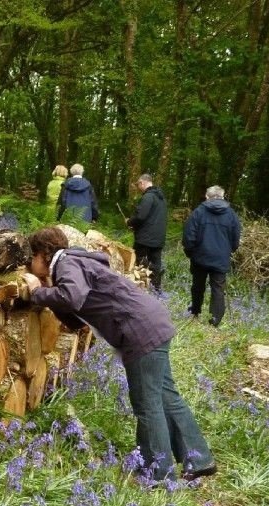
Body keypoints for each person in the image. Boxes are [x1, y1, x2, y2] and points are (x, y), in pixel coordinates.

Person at [22, 226, 217, 482]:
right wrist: (48, 290)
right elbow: (75, 320)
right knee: (166, 396)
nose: (28, 263)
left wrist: (37, 292)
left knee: (147, 403)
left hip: (140, 332)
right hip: (151, 324)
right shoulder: (75, 263)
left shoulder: (67, 263)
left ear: (44, 254)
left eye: (31, 257)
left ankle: (157, 473)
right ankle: (199, 459)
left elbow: (70, 297)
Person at [182, 185, 241, 327]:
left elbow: (188, 236)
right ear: (222, 196)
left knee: (197, 286)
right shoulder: (231, 215)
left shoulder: (198, 212)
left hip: (200, 257)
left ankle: (195, 312)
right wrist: (228, 251)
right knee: (218, 289)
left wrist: (190, 253)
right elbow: (236, 239)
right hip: (221, 258)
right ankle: (215, 319)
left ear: (207, 197)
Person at [125, 173, 168, 292]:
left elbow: (140, 216)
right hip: (158, 238)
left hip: (145, 239)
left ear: (142, 183)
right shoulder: (162, 198)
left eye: (138, 184)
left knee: (139, 263)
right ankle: (156, 289)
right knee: (155, 264)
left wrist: (129, 222)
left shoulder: (148, 197)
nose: (138, 188)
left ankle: (138, 290)